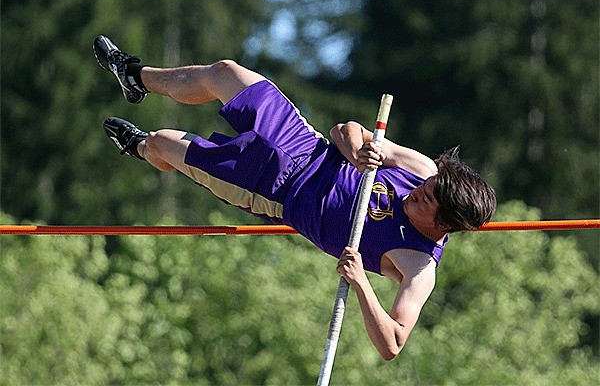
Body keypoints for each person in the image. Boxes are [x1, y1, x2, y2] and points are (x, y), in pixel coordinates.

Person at [94, 35, 496, 361]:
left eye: (423, 202)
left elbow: (392, 343)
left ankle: (142, 147)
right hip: (303, 143)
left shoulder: (418, 266)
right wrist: (356, 149)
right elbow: (345, 129)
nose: (415, 195)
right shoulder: (424, 170)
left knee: (166, 143)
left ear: (444, 224)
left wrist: (360, 284)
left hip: (271, 189)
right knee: (225, 73)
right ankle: (136, 75)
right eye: (423, 189)